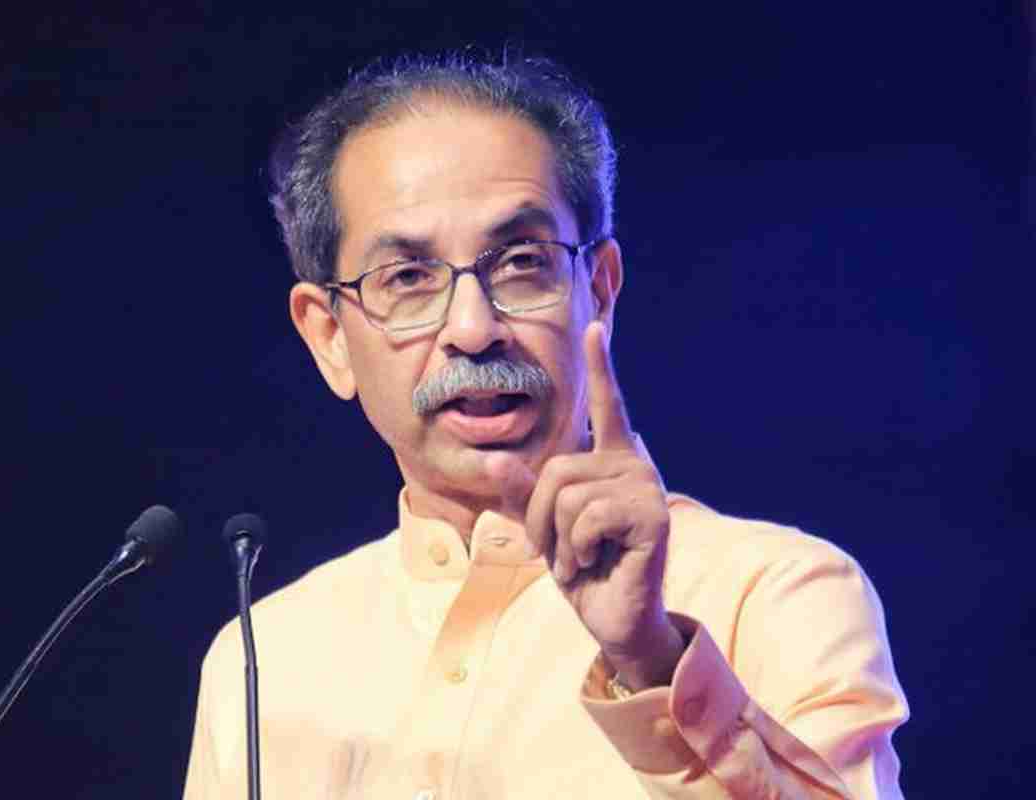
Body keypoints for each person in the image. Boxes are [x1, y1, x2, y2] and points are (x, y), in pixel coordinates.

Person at [183, 52, 908, 799]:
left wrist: (648, 660)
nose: (473, 328)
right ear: (330, 337)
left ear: (599, 290)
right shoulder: (264, 662)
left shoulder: (775, 593)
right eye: (408, 278)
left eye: (522, 263)